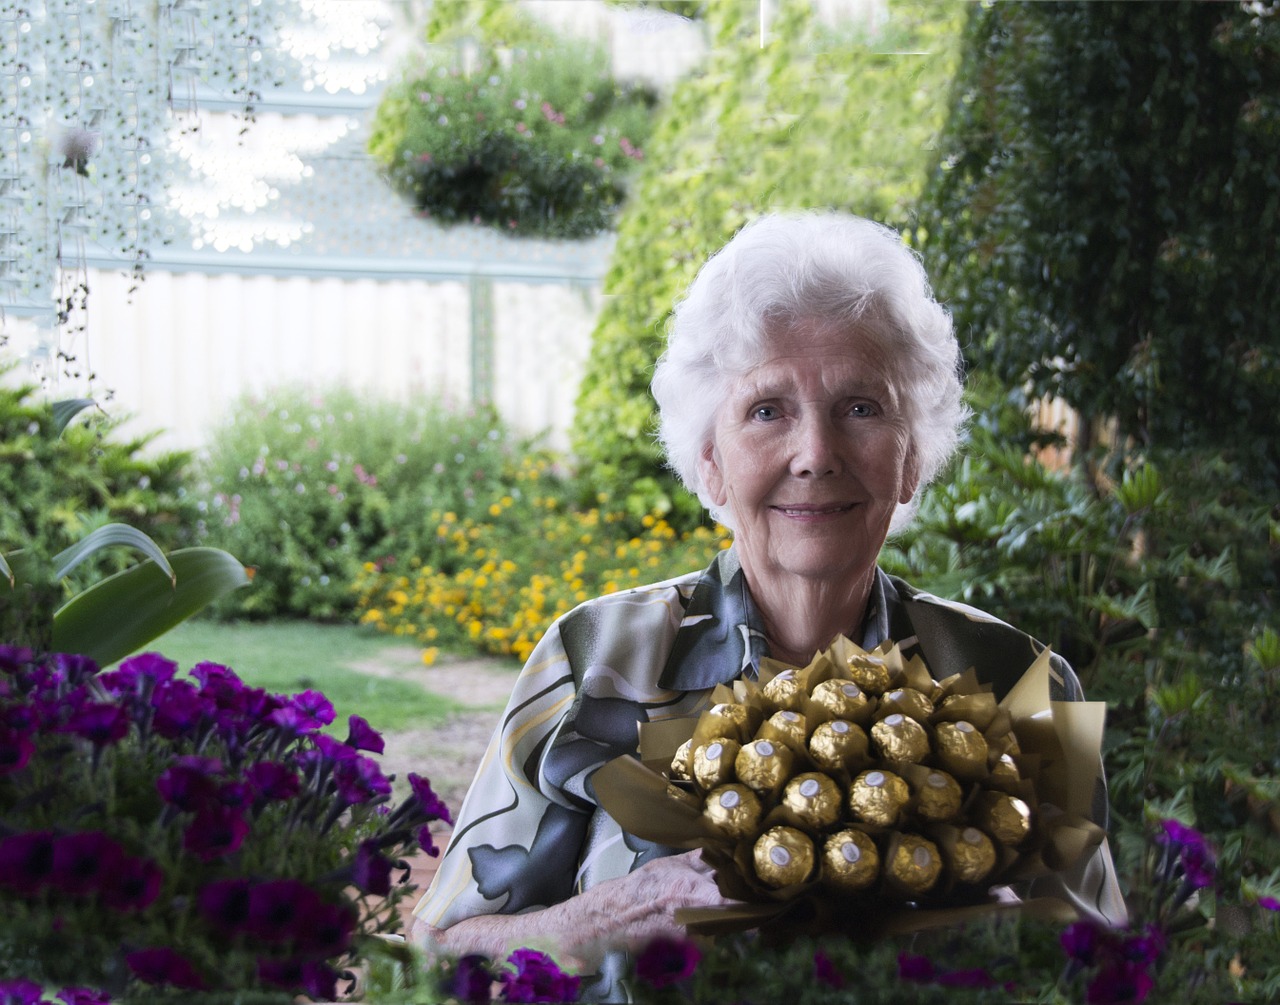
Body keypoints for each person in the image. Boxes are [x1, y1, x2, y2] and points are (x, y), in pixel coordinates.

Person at [411, 211, 1126, 995]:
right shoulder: (597, 658)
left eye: (861, 407)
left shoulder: (1021, 681)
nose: (815, 453)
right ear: (710, 462)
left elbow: (1112, 967)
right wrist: (593, 921)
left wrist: (1013, 935)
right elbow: (435, 950)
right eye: (767, 409)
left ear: (912, 457)